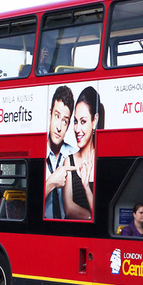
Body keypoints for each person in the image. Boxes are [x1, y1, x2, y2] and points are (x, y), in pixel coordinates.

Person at [62, 86, 98, 220]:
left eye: (83, 122)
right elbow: (69, 209)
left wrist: (86, 187)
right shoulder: (69, 161)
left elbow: (104, 212)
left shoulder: (102, 160)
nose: (77, 129)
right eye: (75, 122)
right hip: (73, 235)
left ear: (94, 121)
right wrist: (92, 217)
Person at [44, 85, 76, 219]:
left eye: (64, 121)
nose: (59, 127)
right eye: (57, 116)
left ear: (68, 125)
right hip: (39, 231)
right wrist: (51, 183)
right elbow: (27, 204)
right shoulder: (35, 153)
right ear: (50, 114)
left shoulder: (75, 155)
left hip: (67, 233)